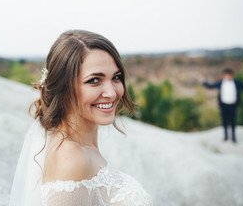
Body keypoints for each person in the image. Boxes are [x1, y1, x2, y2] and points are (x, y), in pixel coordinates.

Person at [9, 30, 152, 206]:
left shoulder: (82, 147)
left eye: (116, 77)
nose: (112, 92)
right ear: (64, 89)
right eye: (94, 80)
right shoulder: (71, 159)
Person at [200, 68, 243, 143]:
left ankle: (233, 137)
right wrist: (203, 82)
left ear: (232, 75)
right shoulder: (220, 83)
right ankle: (225, 136)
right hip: (223, 105)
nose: (227, 76)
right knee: (224, 121)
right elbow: (210, 86)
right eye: (226, 75)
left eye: (229, 75)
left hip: (233, 105)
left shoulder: (236, 83)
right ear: (224, 75)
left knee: (233, 121)